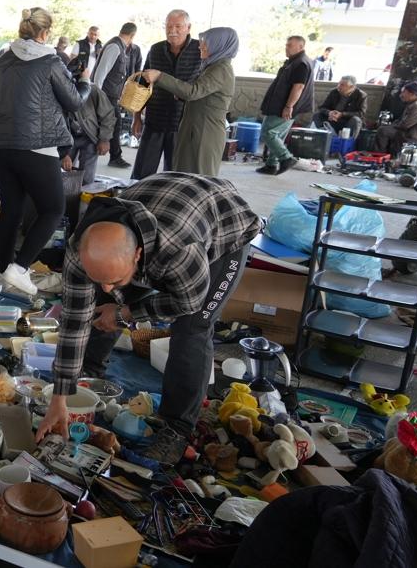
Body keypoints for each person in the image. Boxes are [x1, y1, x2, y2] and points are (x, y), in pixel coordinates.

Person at [35, 173, 261, 465]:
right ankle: (89, 374)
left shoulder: (179, 253)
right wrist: (60, 397)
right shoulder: (81, 251)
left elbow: (186, 302)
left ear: (138, 255)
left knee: (192, 329)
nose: (106, 287)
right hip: (164, 205)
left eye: (115, 277)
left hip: (222, 224)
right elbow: (74, 321)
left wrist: (124, 313)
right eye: (97, 277)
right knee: (105, 295)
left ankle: (176, 427)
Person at [0, 7, 91, 293]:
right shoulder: (50, 60)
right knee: (53, 209)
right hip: (38, 148)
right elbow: (73, 101)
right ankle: (19, 269)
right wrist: (85, 82)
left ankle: (4, 271)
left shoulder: (1, 61)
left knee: (10, 210)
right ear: (45, 33)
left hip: (2, 147)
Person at [142, 28, 239, 176]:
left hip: (205, 134)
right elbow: (202, 94)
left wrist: (160, 76)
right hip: (195, 130)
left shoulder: (221, 69)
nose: (201, 46)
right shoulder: (212, 66)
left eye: (205, 43)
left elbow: (193, 91)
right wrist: (181, 95)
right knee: (184, 176)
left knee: (198, 179)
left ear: (218, 45)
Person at [132, 10, 203, 180]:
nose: (173, 30)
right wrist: (137, 117)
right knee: (142, 173)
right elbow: (142, 85)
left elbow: (202, 88)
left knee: (175, 175)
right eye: (169, 26)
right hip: (155, 120)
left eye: (178, 26)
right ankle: (134, 204)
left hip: (184, 125)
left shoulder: (200, 51)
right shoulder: (156, 50)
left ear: (188, 27)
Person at [257, 35, 315, 175]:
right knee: (278, 135)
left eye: (290, 45)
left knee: (268, 133)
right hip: (282, 104)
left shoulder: (301, 63)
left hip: (284, 106)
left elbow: (298, 87)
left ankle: (286, 158)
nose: (286, 47)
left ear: (300, 47)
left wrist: (289, 106)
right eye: (286, 44)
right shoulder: (294, 61)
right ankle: (271, 165)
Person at [91, 22, 137, 168]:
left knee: (114, 124)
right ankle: (115, 157)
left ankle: (115, 156)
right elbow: (100, 73)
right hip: (105, 95)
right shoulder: (115, 47)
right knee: (114, 124)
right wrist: (97, 97)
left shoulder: (118, 46)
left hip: (109, 95)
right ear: (133, 35)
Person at [70, 74, 117, 186]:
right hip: (68, 137)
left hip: (90, 137)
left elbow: (108, 115)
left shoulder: (93, 91)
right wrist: (63, 153)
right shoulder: (60, 90)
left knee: (87, 177)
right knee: (61, 172)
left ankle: (83, 197)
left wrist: (104, 139)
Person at [377, 82, 417, 157]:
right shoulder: (416, 102)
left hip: (414, 138)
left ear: (411, 94)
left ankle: (380, 156)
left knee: (383, 131)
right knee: (384, 128)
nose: (401, 95)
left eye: (404, 92)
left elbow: (405, 125)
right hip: (410, 132)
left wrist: (389, 126)